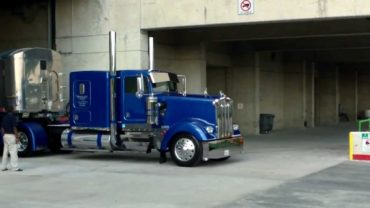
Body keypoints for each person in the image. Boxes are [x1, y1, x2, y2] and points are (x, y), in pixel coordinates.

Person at [1, 106, 22, 171]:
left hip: (5, 136)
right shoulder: (13, 117)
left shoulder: (4, 117)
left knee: (5, 152)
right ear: (12, 110)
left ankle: (3, 167)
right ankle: (15, 167)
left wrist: (3, 135)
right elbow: (14, 128)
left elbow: (2, 128)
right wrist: (17, 137)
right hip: (11, 136)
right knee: (13, 152)